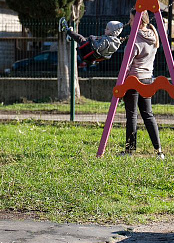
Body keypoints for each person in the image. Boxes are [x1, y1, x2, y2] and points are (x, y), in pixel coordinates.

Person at [122, 8, 164, 160]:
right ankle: (159, 150)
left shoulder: (135, 39)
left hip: (133, 79)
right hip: (147, 79)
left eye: (132, 20)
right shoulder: (153, 35)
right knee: (148, 114)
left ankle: (129, 150)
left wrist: (121, 80)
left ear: (139, 21)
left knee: (132, 115)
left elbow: (127, 63)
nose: (129, 22)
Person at [59, 17, 125, 65]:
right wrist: (96, 38)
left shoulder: (105, 40)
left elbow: (97, 47)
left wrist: (92, 39)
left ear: (112, 32)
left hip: (88, 51)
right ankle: (71, 36)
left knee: (81, 38)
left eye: (107, 29)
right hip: (93, 58)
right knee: (84, 39)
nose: (105, 30)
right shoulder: (116, 43)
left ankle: (66, 29)